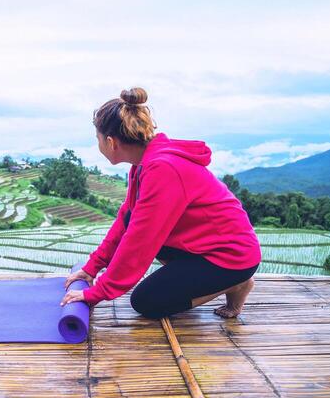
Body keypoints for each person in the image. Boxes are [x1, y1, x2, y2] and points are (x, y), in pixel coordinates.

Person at [59, 87, 262, 319]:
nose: (99, 145)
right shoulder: (144, 164)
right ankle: (216, 280)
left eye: (97, 139)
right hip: (204, 247)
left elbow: (140, 238)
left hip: (231, 255)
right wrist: (90, 269)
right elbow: (128, 220)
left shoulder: (162, 168)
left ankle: (235, 283)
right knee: (134, 224)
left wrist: (98, 292)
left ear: (110, 142)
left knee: (147, 301)